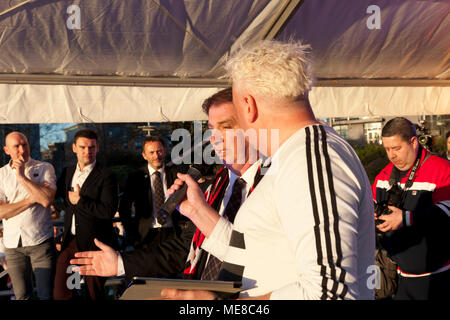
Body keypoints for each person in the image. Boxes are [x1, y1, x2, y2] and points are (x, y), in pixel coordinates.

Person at [161, 40, 375, 300]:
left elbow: (331, 292)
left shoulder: (312, 158)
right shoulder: (293, 157)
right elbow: (255, 251)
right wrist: (197, 210)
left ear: (248, 105)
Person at [69, 88, 263, 287]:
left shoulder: (274, 182)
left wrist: (200, 211)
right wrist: (120, 262)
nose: (215, 139)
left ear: (253, 126)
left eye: (226, 127)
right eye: (212, 129)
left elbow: (261, 259)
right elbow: (183, 249)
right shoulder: (215, 188)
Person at [373, 117, 450, 300]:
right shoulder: (383, 176)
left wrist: (406, 219)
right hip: (397, 279)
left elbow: (447, 212)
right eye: (387, 149)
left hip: (438, 278)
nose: (391, 155)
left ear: (413, 142)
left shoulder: (441, 169)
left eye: (396, 148)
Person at [53, 129, 119, 300]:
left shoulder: (106, 175)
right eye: (82, 147)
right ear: (74, 148)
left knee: (93, 294)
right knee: (65, 292)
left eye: (92, 147)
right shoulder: (68, 173)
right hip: (71, 243)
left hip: (95, 244)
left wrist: (80, 201)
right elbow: (59, 199)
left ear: (97, 148)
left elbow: (107, 211)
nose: (87, 151)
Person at [0, 132, 57, 300]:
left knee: (47, 295)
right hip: (12, 246)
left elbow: (46, 200)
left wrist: (21, 176)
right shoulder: (1, 175)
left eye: (24, 144)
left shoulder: (45, 167)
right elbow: (1, 213)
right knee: (22, 295)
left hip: (41, 242)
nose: (22, 150)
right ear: (6, 150)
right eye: (16, 146)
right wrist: (33, 198)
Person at [119, 136, 186, 249]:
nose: (156, 156)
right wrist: (132, 234)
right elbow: (124, 208)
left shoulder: (177, 174)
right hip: (145, 236)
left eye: (159, 151)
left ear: (164, 151)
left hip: (174, 234)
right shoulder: (135, 177)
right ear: (144, 155)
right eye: (151, 152)